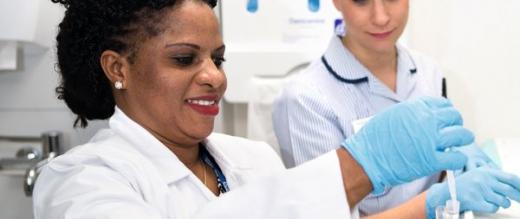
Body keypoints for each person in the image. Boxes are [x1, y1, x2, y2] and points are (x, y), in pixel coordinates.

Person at [34, 0, 482, 218]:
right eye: (185, 58)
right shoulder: (80, 180)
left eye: (218, 59)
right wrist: (355, 169)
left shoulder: (253, 159)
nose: (215, 77)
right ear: (118, 68)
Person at [272, 0, 520, 218]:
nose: (381, 17)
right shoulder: (304, 100)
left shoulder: (427, 72)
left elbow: (439, 171)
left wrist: (460, 163)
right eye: (360, 1)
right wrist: (435, 203)